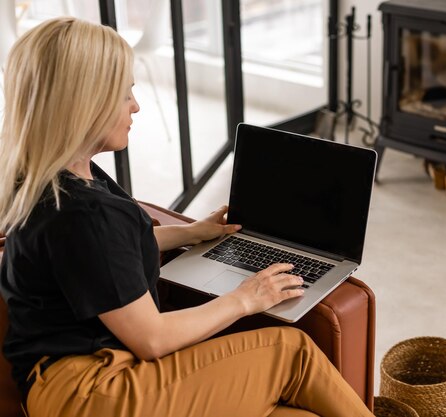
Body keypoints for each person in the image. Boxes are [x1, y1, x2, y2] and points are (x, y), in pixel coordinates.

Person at [0, 17, 374, 417]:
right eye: (125, 93)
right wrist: (246, 298)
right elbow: (153, 339)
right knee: (292, 352)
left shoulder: (51, 179)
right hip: (92, 393)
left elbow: (106, 256)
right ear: (84, 102)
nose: (136, 106)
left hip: (66, 387)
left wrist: (192, 232)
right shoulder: (83, 213)